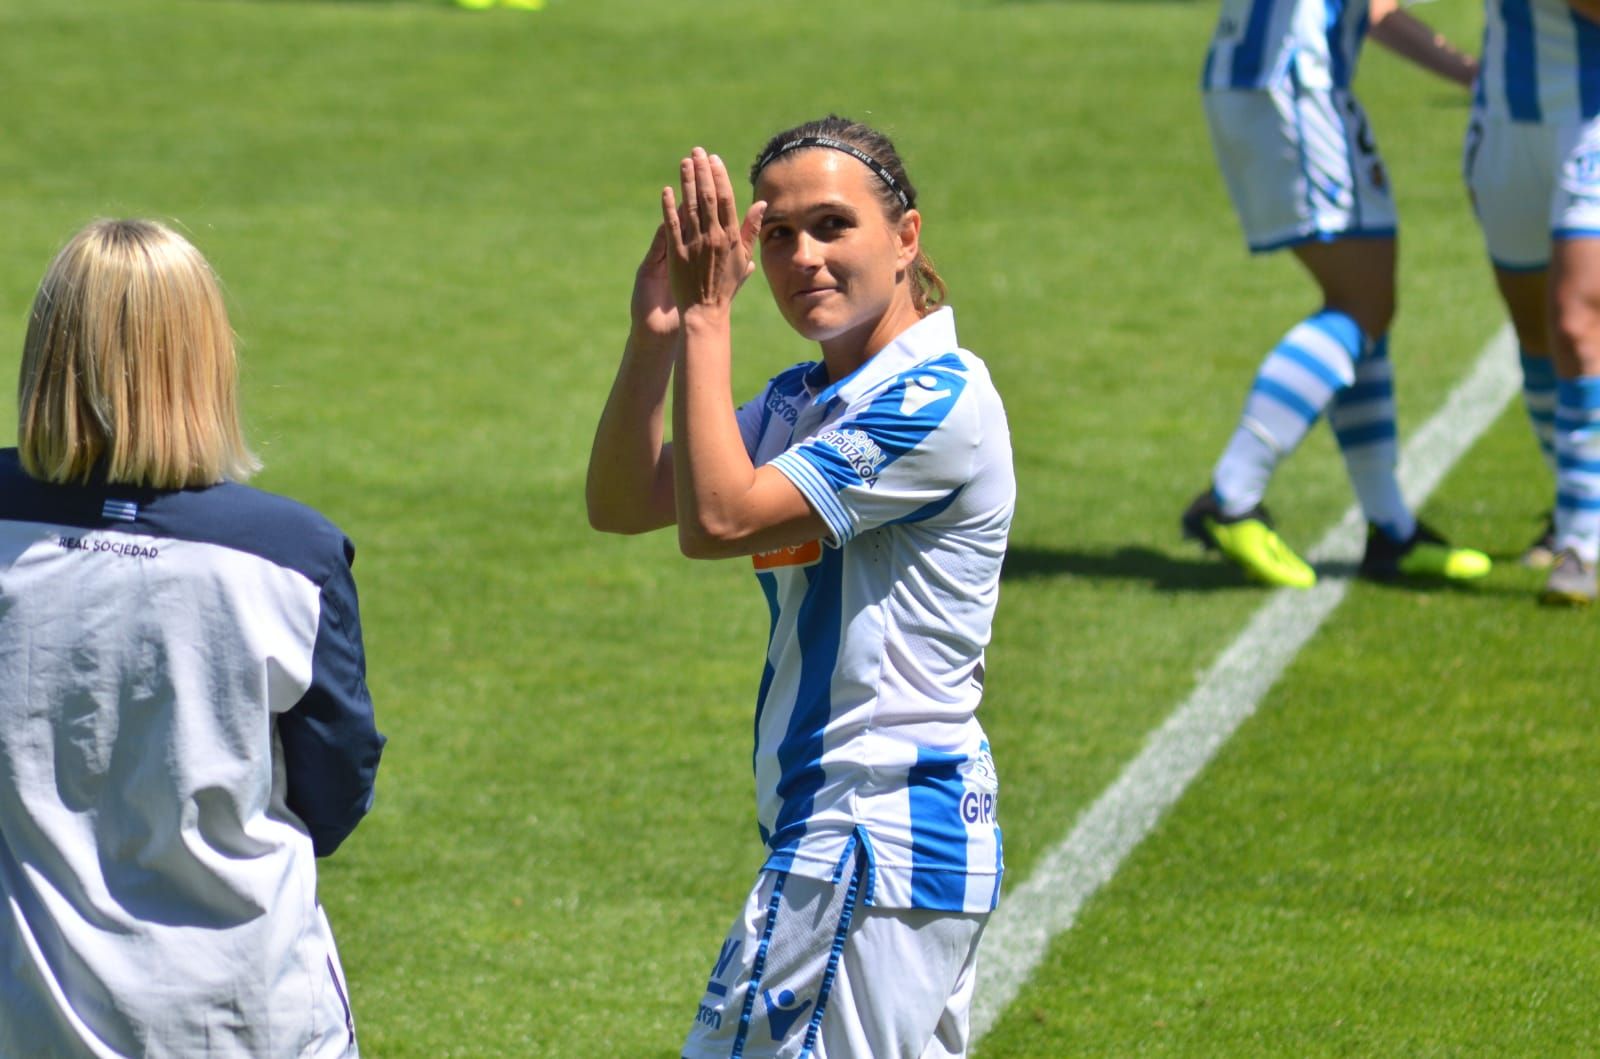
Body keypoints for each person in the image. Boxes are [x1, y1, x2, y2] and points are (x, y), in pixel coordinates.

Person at [587, 117, 1013, 1058]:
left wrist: (708, 320)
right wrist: (656, 336)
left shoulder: (933, 400)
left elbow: (720, 520)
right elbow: (624, 501)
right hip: (873, 847)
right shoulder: (805, 400)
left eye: (832, 225)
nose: (803, 257)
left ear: (906, 238)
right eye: (777, 233)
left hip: (866, 834)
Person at [0, 219, 385, 1055]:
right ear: (207, 358)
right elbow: (337, 784)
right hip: (246, 1011)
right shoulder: (293, 554)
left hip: (28, 1007)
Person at [1184, 0, 1492, 588]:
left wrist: (1473, 74)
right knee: (1362, 304)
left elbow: (1375, 10)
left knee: (1369, 307)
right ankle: (1231, 498)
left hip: (1287, 84)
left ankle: (1391, 530)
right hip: (1294, 87)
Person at [1464, 0, 1600, 604]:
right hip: (1504, 117)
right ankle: (1576, 493)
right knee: (1535, 331)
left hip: (1588, 113)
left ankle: (1582, 539)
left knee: (1576, 322)